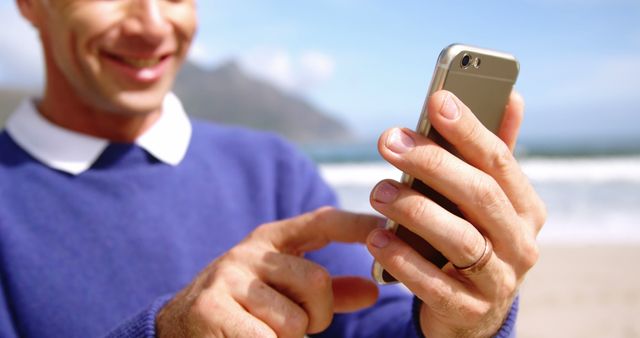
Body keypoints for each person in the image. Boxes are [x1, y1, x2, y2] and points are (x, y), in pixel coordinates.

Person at [0, 0, 545, 337]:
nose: (152, 23)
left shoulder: (274, 168)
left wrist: (463, 323)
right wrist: (165, 334)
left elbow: (366, 326)